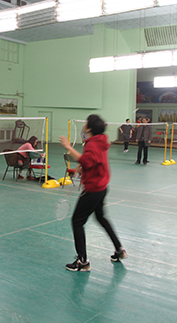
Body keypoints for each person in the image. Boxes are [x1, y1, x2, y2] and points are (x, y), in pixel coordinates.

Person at [59, 114, 126, 272]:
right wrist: (82, 169)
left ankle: (82, 261)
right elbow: (95, 161)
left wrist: (68, 147)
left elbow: (87, 160)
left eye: (86, 123)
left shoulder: (92, 144)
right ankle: (119, 249)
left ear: (89, 128)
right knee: (101, 217)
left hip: (93, 190)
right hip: (102, 187)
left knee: (77, 222)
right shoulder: (101, 140)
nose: (84, 125)